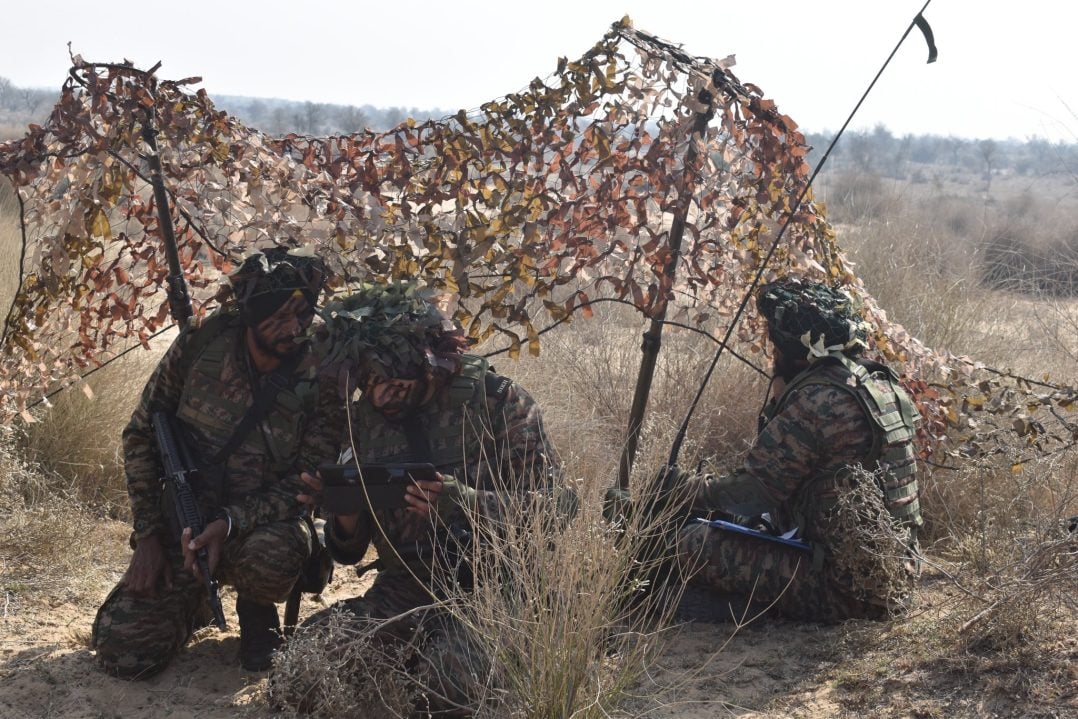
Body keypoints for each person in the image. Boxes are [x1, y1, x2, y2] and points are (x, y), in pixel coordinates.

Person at [280, 281, 568, 716]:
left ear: (428, 365)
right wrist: (346, 513)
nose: (380, 396)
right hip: (407, 586)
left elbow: (559, 509)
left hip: (496, 588)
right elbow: (347, 552)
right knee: (304, 670)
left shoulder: (497, 403)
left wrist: (464, 501)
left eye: (393, 383)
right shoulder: (364, 424)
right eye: (369, 383)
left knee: (449, 684)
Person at [91, 246, 344, 677]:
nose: (295, 329)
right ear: (250, 315)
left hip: (260, 529)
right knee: (125, 654)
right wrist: (149, 536)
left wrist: (230, 523)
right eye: (280, 317)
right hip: (185, 529)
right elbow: (141, 433)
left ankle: (256, 611)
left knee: (275, 552)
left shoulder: (322, 370)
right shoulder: (200, 343)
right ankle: (192, 603)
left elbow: (308, 480)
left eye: (303, 316)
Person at [669, 277, 922, 623]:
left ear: (793, 351)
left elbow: (754, 493)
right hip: (901, 576)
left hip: (847, 591)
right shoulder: (884, 385)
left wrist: (683, 491)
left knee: (691, 542)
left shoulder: (815, 400)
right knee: (742, 523)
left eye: (777, 346)